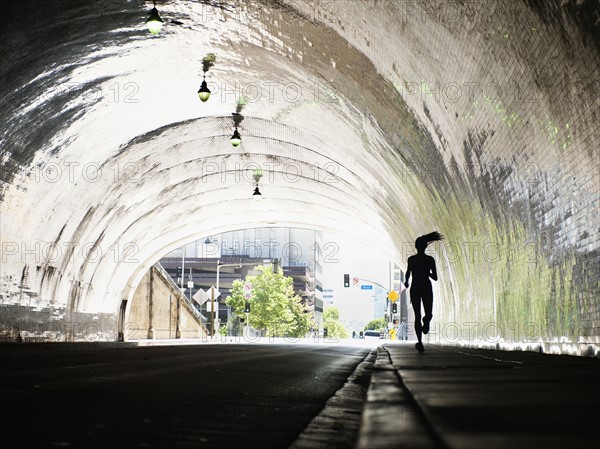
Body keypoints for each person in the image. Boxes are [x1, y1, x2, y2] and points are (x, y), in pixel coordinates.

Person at [404, 232, 443, 353]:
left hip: (415, 287)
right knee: (428, 313)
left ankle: (420, 341)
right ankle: (425, 325)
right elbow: (435, 277)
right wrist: (428, 273)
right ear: (425, 247)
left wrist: (406, 282)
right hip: (426, 287)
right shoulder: (430, 260)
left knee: (417, 315)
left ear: (416, 247)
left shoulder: (412, 259)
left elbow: (408, 273)